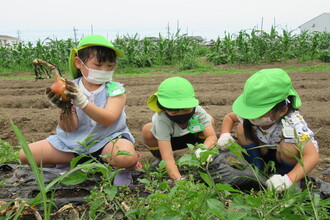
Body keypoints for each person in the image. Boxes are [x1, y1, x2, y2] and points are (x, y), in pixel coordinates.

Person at [19, 35, 138, 185]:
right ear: (78, 63)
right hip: (73, 146)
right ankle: (74, 165)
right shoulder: (69, 88)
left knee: (125, 158)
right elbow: (69, 128)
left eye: (110, 66)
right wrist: (65, 108)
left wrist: (82, 102)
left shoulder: (115, 89)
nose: (105, 70)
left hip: (108, 142)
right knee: (26, 155)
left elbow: (108, 118)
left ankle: (118, 169)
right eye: (98, 65)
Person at [217, 68, 319, 192]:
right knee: (241, 128)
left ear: (282, 111)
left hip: (287, 156)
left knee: (290, 146)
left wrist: (288, 179)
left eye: (258, 114)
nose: (251, 117)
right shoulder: (251, 115)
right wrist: (225, 135)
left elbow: (312, 156)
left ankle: (286, 178)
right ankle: (257, 168)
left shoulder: (293, 122)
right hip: (266, 148)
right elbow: (229, 117)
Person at [142, 76, 218, 180]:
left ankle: (201, 158)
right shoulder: (162, 119)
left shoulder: (198, 111)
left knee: (210, 120)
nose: (181, 114)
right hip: (169, 141)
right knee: (147, 129)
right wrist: (179, 180)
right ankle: (160, 162)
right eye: (174, 111)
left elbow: (211, 136)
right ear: (163, 108)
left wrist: (202, 150)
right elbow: (167, 155)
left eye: (186, 110)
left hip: (191, 136)